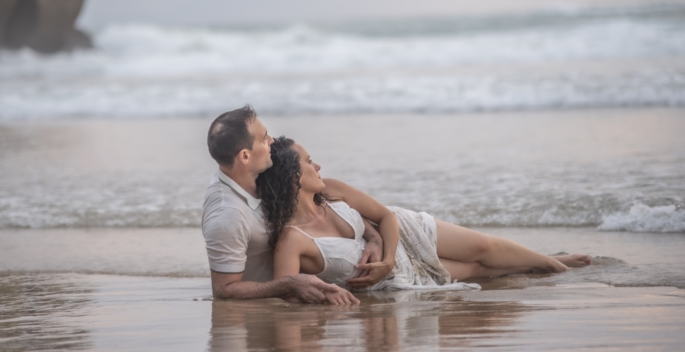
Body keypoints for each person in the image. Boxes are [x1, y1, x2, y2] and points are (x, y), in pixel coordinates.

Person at [257, 137, 592, 303]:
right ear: (291, 176)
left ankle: (552, 263)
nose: (318, 166)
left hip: (405, 233)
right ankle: (539, 263)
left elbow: (385, 215)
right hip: (398, 276)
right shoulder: (292, 240)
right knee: (478, 270)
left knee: (482, 246)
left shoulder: (331, 190)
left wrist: (385, 257)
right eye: (310, 162)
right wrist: (330, 294)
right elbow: (287, 292)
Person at [202, 105, 384, 304]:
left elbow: (327, 206)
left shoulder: (260, 175)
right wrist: (290, 284)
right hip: (267, 309)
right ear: (245, 156)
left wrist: (374, 237)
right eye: (264, 139)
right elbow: (223, 290)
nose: (271, 141)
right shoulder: (228, 215)